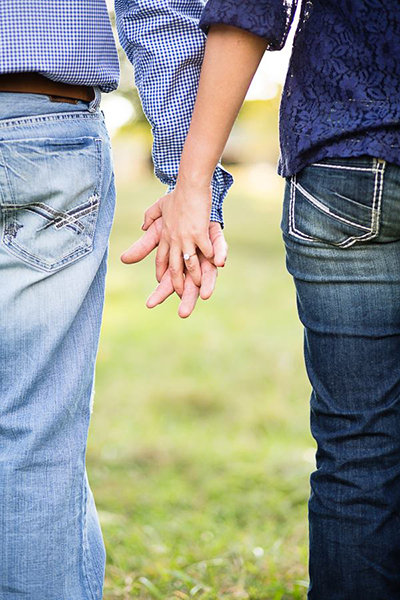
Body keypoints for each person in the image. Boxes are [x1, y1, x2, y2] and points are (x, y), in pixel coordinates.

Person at [123, 1, 400, 598]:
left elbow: (248, 7)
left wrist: (193, 183)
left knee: (359, 448)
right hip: (347, 160)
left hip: (347, 157)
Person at [0, 1, 230, 598]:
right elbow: (155, 9)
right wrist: (190, 175)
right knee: (35, 433)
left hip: (44, 138)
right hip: (42, 126)